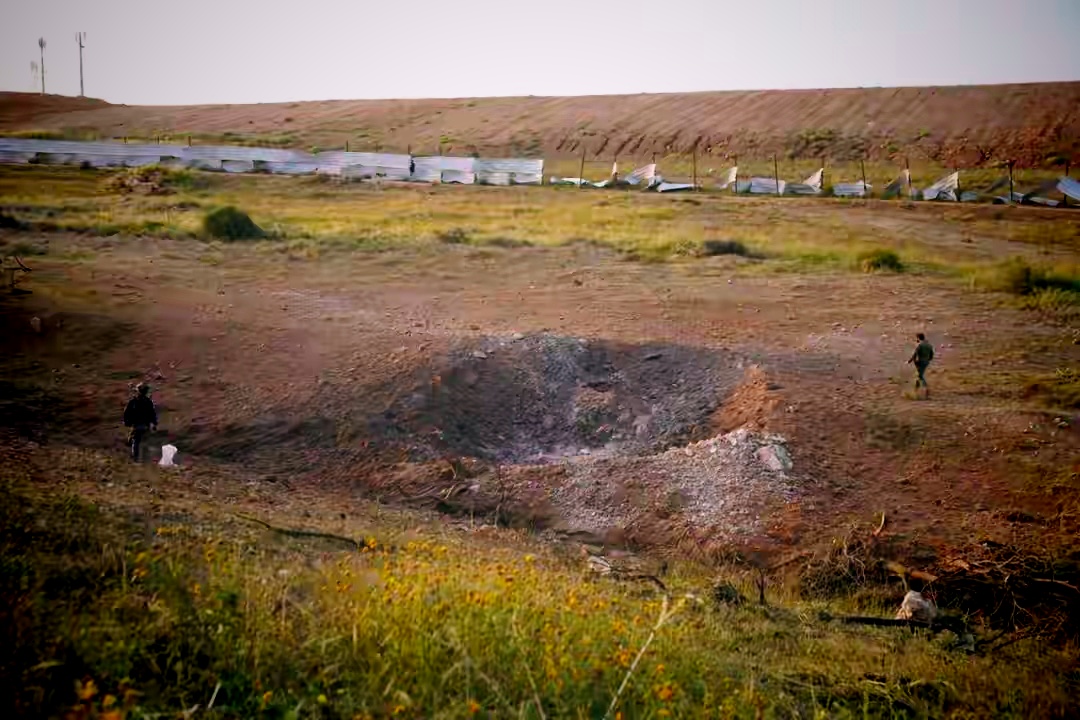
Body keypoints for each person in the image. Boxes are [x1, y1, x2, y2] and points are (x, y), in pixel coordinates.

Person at [123, 383, 158, 462]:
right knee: (144, 442)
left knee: (135, 442)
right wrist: (154, 423)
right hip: (145, 426)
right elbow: (152, 414)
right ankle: (144, 460)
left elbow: (127, 413)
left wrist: (126, 422)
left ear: (138, 391)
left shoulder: (133, 401)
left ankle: (136, 459)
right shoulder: (148, 402)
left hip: (136, 425)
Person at [907, 333, 935, 398]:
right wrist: (927, 360)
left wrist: (909, 361)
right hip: (926, 362)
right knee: (919, 375)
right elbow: (931, 355)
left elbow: (915, 354)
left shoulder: (920, 345)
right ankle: (915, 390)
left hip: (920, 362)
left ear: (918, 338)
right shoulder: (929, 345)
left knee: (920, 375)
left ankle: (926, 388)